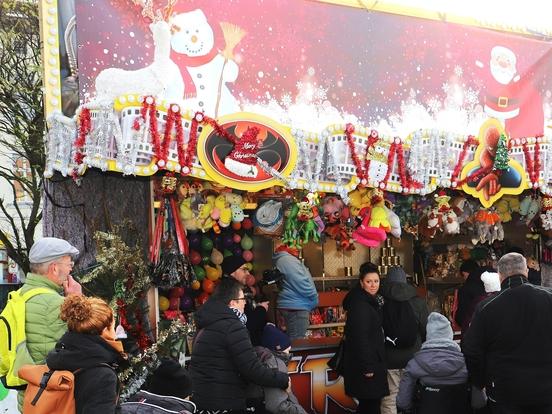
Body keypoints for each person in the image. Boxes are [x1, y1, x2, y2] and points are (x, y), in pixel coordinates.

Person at [463, 252, 552, 413]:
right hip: (546, 390)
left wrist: (480, 381)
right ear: (525, 271)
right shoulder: (548, 298)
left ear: (500, 275)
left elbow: (471, 350)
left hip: (505, 390)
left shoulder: (486, 307)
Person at [190, 278, 289, 414]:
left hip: (204, 403)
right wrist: (283, 380)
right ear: (233, 302)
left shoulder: (208, 323)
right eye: (243, 300)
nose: (245, 304)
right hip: (224, 404)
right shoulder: (232, 326)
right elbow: (252, 369)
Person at [16, 237, 82, 410]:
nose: (70, 270)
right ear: (54, 268)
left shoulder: (21, 294)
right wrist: (76, 300)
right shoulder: (54, 303)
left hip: (30, 396)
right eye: (69, 265)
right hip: (52, 400)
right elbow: (85, 342)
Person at [46, 295, 126, 414]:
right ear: (105, 331)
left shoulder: (62, 356)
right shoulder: (103, 375)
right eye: (113, 327)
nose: (115, 334)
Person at [396, 312, 484, 414]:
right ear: (449, 335)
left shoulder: (415, 364)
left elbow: (403, 402)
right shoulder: (467, 363)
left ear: (429, 335)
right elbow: (478, 403)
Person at [379, 266, 429, 414]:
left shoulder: (380, 301)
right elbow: (426, 329)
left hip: (389, 358)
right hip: (413, 357)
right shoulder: (417, 301)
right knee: (412, 396)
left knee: (390, 398)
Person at [342, 262, 389, 414]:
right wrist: (367, 366)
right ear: (362, 283)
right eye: (369, 282)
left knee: (369, 405)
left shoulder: (369, 301)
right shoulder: (360, 305)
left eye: (376, 281)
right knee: (370, 405)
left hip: (370, 362)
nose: (373, 285)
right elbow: (360, 338)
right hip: (367, 365)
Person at [249, 323, 307, 414]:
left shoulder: (257, 358)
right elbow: (279, 406)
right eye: (287, 350)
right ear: (277, 349)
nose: (289, 353)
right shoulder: (276, 363)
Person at [273, 241, 318, 339]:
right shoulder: (287, 260)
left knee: (294, 341)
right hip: (296, 308)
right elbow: (301, 282)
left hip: (295, 306)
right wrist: (314, 297)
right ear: (286, 245)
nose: (298, 247)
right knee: (296, 343)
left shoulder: (285, 260)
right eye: (295, 243)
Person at [222, 255, 269, 345]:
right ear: (232, 272)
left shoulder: (233, 289)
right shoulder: (230, 293)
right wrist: (261, 309)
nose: (247, 273)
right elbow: (247, 324)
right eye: (244, 269)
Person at [454, 259, 484, 334]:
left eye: (463, 276)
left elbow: (462, 314)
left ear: (465, 273)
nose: (464, 279)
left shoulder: (465, 289)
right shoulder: (486, 285)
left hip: (470, 330)